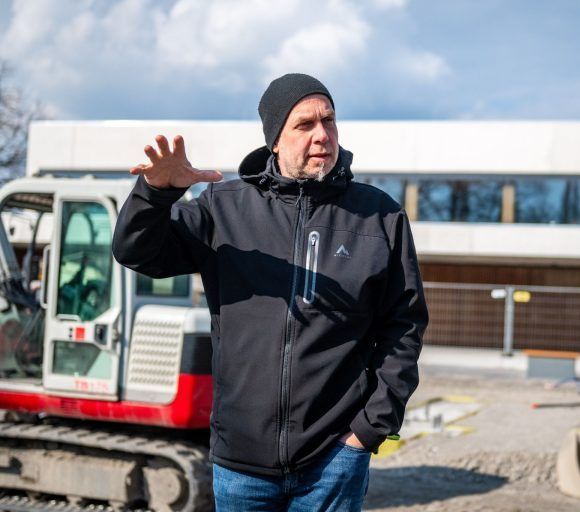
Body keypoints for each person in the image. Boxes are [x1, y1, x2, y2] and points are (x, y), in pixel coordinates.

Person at [112, 73, 428, 511]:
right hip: (240, 465)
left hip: (333, 460)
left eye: (329, 121)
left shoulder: (378, 217)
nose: (322, 135)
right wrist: (155, 194)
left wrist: (369, 429)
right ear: (275, 139)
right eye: (305, 125)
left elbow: (404, 326)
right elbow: (137, 253)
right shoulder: (223, 208)